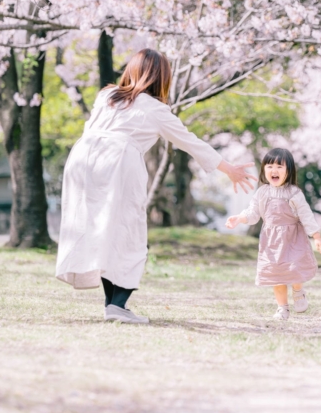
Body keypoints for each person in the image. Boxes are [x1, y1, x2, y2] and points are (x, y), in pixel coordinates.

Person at [55, 49, 257, 324]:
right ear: (162, 77)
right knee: (128, 231)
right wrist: (229, 169)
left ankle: (114, 306)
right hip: (118, 161)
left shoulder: (107, 96)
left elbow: (92, 128)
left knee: (101, 230)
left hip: (83, 157)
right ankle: (116, 305)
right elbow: (190, 142)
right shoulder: (156, 110)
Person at [225, 148, 321, 320]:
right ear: (264, 169)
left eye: (280, 167)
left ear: (289, 171)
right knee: (276, 275)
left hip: (293, 238)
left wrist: (316, 237)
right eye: (270, 166)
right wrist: (239, 218)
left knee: (294, 268)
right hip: (271, 242)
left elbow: (306, 215)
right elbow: (253, 213)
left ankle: (298, 291)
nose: (274, 170)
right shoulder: (262, 192)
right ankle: (282, 308)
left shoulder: (294, 193)